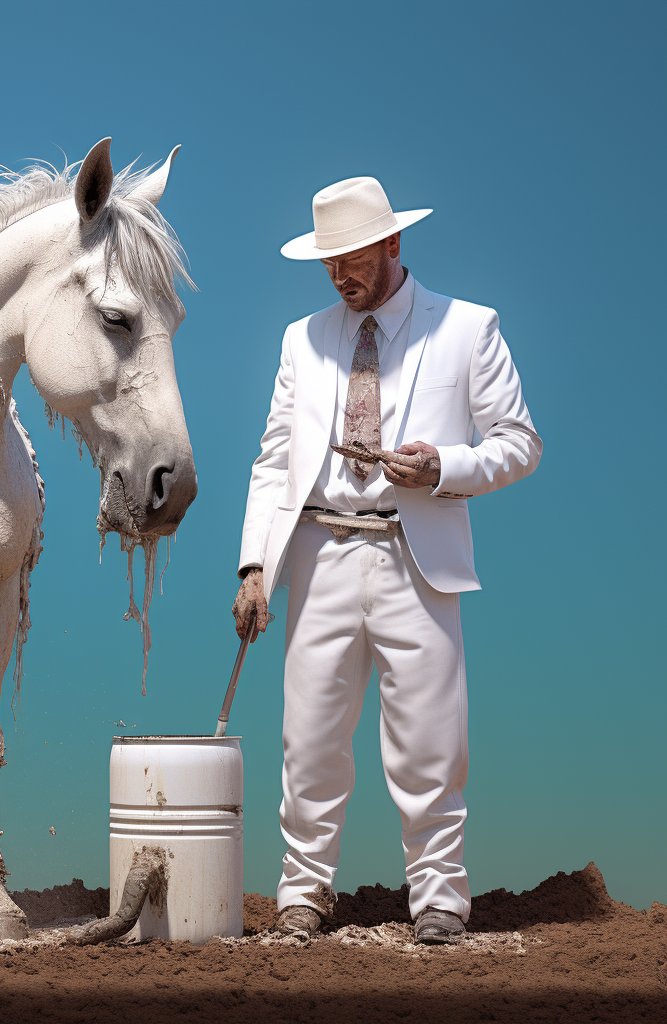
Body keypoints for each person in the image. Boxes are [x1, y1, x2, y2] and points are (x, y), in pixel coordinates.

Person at [233, 177, 541, 944]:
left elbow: (520, 443)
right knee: (308, 739)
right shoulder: (301, 339)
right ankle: (302, 895)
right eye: (329, 261)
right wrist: (253, 567)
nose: (341, 274)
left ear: (394, 243)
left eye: (354, 256)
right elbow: (273, 462)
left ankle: (439, 899)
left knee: (431, 742)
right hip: (324, 551)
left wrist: (444, 467)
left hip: (416, 556)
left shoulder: (468, 329)